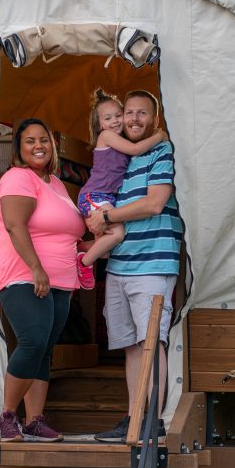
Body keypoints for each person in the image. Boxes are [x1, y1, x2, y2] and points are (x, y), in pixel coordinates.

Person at [86, 90, 182, 443]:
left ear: (154, 120)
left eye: (143, 113)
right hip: (121, 264)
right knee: (130, 345)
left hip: (153, 261)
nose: (134, 119)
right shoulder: (122, 157)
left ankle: (152, 420)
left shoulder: (162, 151)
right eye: (129, 113)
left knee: (150, 341)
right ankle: (133, 416)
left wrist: (106, 215)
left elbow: (155, 203)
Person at [0, 118, 86, 442]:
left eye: (43, 139)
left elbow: (64, 232)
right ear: (19, 148)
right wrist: (36, 268)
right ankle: (7, 415)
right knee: (32, 342)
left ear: (53, 144)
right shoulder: (18, 178)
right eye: (30, 141)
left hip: (61, 281)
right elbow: (16, 226)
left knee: (44, 349)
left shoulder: (55, 184)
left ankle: (34, 420)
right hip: (24, 276)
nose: (38, 146)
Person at [75, 88, 167, 289]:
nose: (115, 121)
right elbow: (135, 149)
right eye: (108, 118)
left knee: (106, 250)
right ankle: (82, 263)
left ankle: (78, 248)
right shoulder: (107, 136)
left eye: (119, 115)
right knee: (117, 235)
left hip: (105, 197)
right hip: (95, 195)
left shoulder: (121, 141)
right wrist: (160, 135)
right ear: (100, 125)